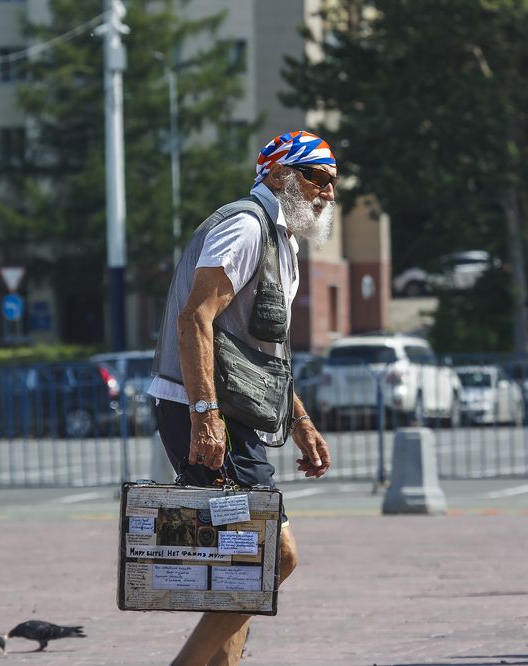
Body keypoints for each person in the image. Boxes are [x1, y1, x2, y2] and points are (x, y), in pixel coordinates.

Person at [148, 130, 336, 666]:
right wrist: (205, 416)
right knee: (274, 554)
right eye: (317, 177)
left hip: (233, 413)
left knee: (241, 562)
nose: (326, 193)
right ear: (280, 175)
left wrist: (300, 422)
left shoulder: (283, 241)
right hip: (204, 411)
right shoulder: (246, 225)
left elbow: (266, 351)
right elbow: (195, 316)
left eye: (333, 184)